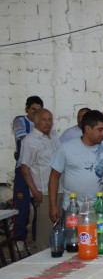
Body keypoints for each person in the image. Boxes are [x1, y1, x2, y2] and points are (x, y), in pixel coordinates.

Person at [48, 110, 103, 223]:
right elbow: (54, 177)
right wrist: (53, 206)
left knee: (97, 240)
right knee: (73, 240)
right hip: (72, 209)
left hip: (98, 208)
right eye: (100, 130)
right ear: (87, 129)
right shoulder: (67, 147)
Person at [18, 109, 61, 251]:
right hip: (44, 192)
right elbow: (25, 169)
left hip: (60, 190)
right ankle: (43, 260)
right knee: (45, 231)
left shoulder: (54, 136)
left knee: (58, 228)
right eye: (43, 119)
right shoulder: (30, 140)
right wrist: (34, 191)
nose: (47, 123)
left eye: (50, 119)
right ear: (36, 121)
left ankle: (58, 258)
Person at [12, 96, 43, 243]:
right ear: (27, 108)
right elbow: (26, 140)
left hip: (39, 171)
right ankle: (19, 240)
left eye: (39, 110)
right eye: (33, 109)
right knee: (22, 208)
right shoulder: (20, 121)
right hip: (23, 169)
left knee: (40, 208)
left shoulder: (45, 125)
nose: (35, 113)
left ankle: (38, 239)